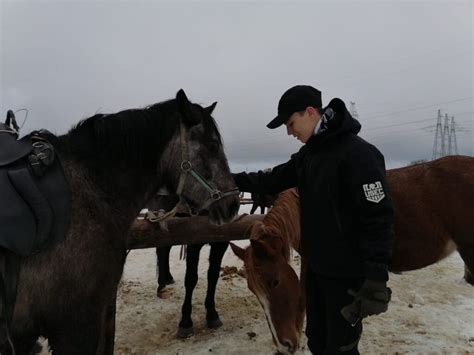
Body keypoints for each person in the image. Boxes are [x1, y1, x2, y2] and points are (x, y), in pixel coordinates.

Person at [232, 85, 394, 354]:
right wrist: (230, 180)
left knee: (341, 347)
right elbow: (273, 179)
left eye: (290, 122)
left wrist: (377, 277)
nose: (289, 131)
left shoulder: (359, 154)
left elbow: (378, 216)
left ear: (309, 112)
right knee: (317, 340)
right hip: (316, 271)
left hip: (346, 277)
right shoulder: (309, 156)